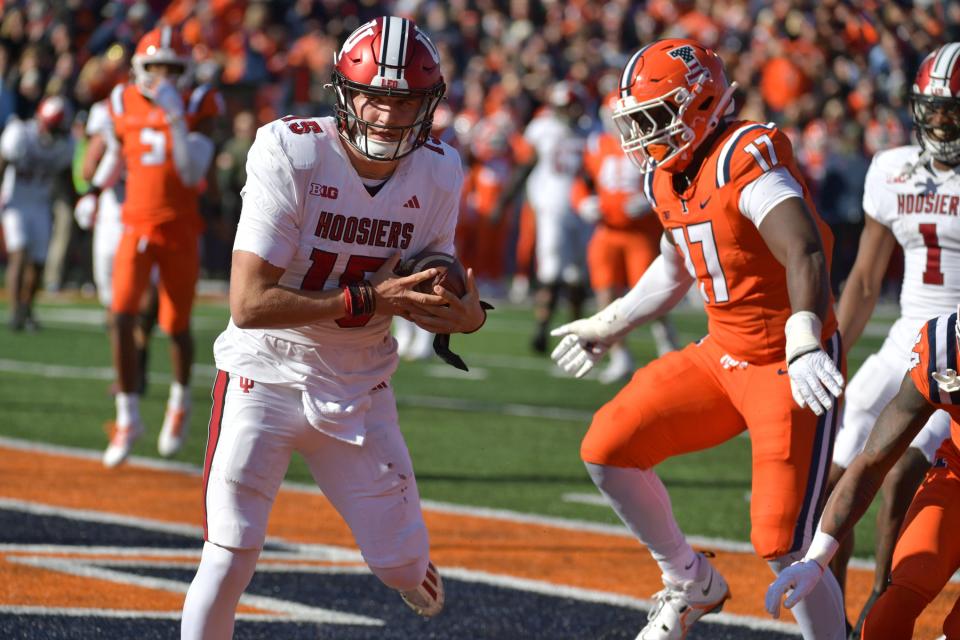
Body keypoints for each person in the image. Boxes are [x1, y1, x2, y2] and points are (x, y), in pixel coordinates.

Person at [179, 17, 486, 640]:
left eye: (405, 101)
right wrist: (372, 298)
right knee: (230, 551)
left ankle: (407, 571)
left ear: (427, 105)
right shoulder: (290, 148)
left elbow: (435, 273)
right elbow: (250, 304)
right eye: (375, 95)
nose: (387, 114)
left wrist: (467, 315)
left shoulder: (440, 169)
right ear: (344, 93)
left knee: (400, 564)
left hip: (360, 383)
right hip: (264, 371)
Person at [550, 39, 846, 639]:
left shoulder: (744, 154)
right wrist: (610, 325)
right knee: (607, 447)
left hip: (786, 363)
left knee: (780, 542)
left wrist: (805, 336)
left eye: (656, 116)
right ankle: (690, 582)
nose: (644, 135)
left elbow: (804, 249)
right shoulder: (667, 174)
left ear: (702, 103)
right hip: (720, 357)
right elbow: (674, 263)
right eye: (638, 120)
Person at [823, 42, 960, 635]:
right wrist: (829, 353)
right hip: (906, 333)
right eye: (930, 108)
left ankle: (883, 602)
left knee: (903, 471)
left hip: (955, 341)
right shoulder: (892, 166)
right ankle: (830, 613)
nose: (937, 120)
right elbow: (863, 277)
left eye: (951, 109)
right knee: (831, 475)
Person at [765, 309, 960, 639]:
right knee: (896, 603)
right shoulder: (945, 351)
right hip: (957, 472)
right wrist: (816, 559)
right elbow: (872, 462)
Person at [101, 25, 222, 468]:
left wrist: (174, 117)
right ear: (139, 68)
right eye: (155, 67)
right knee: (120, 315)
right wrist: (94, 192)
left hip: (179, 227)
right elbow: (117, 154)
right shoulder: (120, 102)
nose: (163, 76)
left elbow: (191, 175)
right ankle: (127, 416)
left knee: (175, 325)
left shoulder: (197, 104)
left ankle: (179, 400)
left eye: (173, 68)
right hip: (134, 223)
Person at [570, 89, 677, 383]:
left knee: (654, 296)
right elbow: (580, 183)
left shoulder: (649, 144)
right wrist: (583, 204)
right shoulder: (596, 145)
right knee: (606, 295)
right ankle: (620, 357)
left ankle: (668, 349)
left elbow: (669, 179)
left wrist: (649, 199)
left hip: (640, 234)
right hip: (606, 231)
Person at [497, 81, 589, 354]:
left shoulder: (589, 130)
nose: (569, 111)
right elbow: (526, 164)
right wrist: (505, 200)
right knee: (551, 272)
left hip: (582, 211)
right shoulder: (543, 128)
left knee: (577, 277)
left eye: (572, 106)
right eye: (564, 106)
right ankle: (542, 329)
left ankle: (577, 332)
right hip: (551, 208)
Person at [75, 97, 158, 397]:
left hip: (147, 214)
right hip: (115, 217)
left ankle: (137, 367)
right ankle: (127, 373)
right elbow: (88, 168)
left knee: (147, 299)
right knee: (115, 304)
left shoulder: (164, 113)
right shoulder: (108, 112)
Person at [0, 96, 74, 331]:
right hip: (16, 203)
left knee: (39, 262)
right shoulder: (21, 134)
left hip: (41, 204)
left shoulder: (65, 143)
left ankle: (27, 308)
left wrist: (75, 201)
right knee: (19, 255)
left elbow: (65, 175)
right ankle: (15, 312)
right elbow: (2, 164)